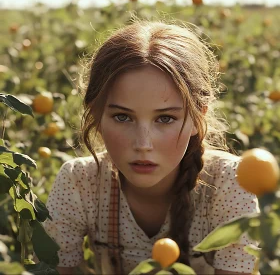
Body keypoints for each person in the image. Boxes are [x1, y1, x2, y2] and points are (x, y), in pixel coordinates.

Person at [42, 19, 260, 275]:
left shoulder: (230, 183)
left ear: (198, 118)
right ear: (97, 116)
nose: (143, 144)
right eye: (123, 117)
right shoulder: (79, 182)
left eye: (165, 118)